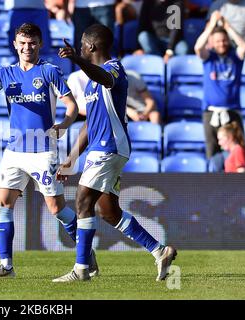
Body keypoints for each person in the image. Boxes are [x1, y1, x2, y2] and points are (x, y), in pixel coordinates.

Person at [0, 23, 99, 278]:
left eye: (32, 43)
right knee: (2, 202)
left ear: (40, 44)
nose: (27, 48)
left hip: (43, 151)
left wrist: (65, 125)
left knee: (56, 208)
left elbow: (71, 105)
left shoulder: (49, 72)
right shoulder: (5, 73)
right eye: (22, 43)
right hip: (14, 152)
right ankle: (6, 266)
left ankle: (86, 255)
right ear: (15, 44)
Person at [54, 24, 176, 282]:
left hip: (108, 147)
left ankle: (81, 269)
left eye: (82, 46)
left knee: (82, 203)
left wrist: (76, 60)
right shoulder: (90, 84)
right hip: (102, 147)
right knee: (107, 210)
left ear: (91, 46)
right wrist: (71, 158)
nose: (80, 50)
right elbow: (89, 124)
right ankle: (160, 251)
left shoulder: (114, 69)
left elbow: (105, 78)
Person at [194, 12, 245, 159]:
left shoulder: (235, 57)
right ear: (212, 42)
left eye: (224, 40)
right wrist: (211, 27)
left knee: (240, 153)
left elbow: (243, 46)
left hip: (233, 113)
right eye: (218, 41)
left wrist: (228, 27)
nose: (222, 43)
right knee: (212, 153)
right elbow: (198, 48)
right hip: (211, 113)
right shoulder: (209, 57)